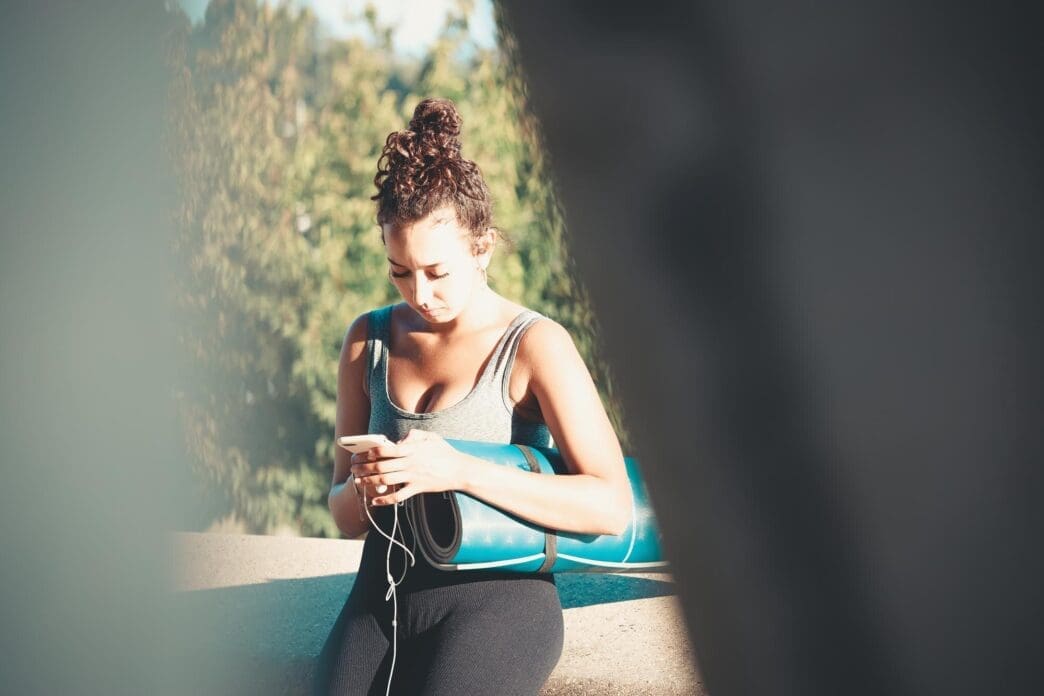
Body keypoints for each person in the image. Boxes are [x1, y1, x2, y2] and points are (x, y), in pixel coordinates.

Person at [315, 97, 630, 696]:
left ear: (481, 249)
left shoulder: (536, 344)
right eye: (399, 271)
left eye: (437, 271)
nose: (419, 292)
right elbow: (341, 514)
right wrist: (366, 485)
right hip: (378, 601)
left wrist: (456, 468)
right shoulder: (368, 339)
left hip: (499, 609)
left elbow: (610, 505)